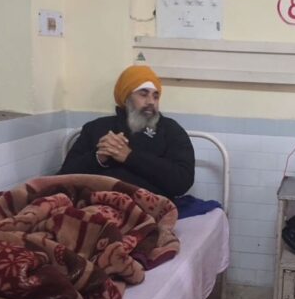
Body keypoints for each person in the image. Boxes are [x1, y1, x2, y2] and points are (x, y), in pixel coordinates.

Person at [59, 65, 195, 199]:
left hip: (147, 205)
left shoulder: (170, 130)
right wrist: (98, 158)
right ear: (126, 97)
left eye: (155, 96)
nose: (151, 102)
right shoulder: (96, 128)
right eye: (143, 94)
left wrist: (130, 157)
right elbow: (64, 176)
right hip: (96, 201)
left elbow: (182, 182)